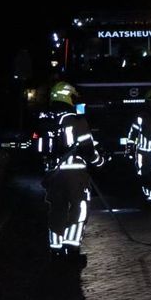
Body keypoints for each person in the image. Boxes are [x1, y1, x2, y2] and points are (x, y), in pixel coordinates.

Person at [41, 81, 105, 268]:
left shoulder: (46, 119)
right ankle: (72, 249)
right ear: (67, 96)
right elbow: (88, 149)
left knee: (57, 211)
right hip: (75, 174)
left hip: (53, 175)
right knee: (79, 209)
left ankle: (56, 251)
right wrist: (100, 163)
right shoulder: (76, 120)